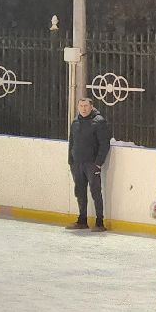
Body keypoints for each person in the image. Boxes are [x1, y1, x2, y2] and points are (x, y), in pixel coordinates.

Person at [67, 97, 111, 230]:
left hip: (92, 164)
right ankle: (82, 220)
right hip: (77, 164)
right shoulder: (75, 122)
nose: (83, 109)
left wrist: (98, 163)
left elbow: (104, 144)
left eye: (86, 106)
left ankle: (99, 222)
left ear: (91, 107)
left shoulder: (99, 122)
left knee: (95, 192)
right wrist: (70, 160)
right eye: (81, 106)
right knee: (80, 192)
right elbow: (72, 142)